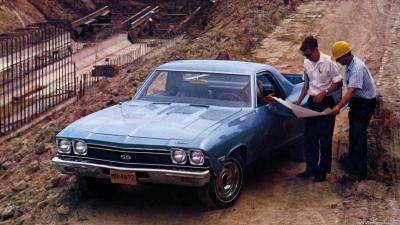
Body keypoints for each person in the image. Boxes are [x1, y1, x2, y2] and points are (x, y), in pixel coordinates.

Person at [293, 36, 343, 182]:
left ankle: (322, 171)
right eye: (305, 55)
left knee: (325, 138)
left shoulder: (329, 63)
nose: (307, 57)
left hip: (326, 102)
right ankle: (310, 169)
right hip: (312, 102)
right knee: (309, 137)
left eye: (309, 54)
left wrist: (325, 92)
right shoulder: (307, 62)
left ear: (316, 50)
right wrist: (299, 100)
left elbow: (339, 83)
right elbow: (306, 83)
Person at [330, 41, 377, 179]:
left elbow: (350, 92)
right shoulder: (350, 65)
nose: (338, 62)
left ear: (345, 55)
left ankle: (359, 171)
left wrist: (338, 106)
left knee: (358, 136)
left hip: (364, 104)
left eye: (338, 59)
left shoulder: (356, 68)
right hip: (358, 101)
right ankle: (353, 161)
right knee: (354, 134)